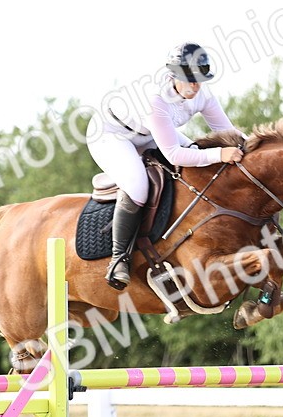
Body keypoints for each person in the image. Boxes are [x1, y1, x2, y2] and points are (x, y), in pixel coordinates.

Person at [87, 42, 246, 290]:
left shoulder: (202, 94)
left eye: (200, 80)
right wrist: (221, 153)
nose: (195, 86)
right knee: (138, 186)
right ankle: (119, 258)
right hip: (112, 135)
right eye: (190, 80)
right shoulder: (156, 99)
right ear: (174, 76)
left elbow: (227, 132)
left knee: (197, 154)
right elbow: (173, 154)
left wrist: (253, 147)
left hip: (149, 134)